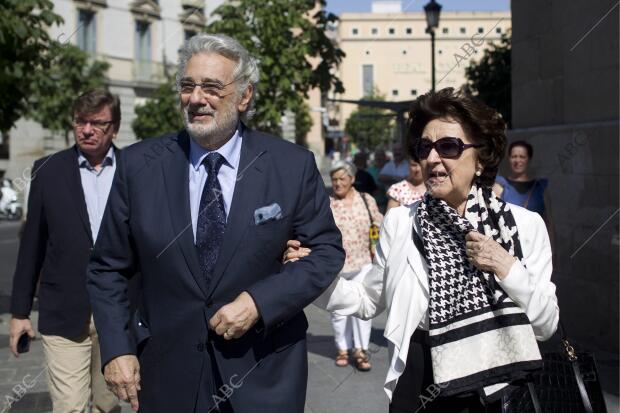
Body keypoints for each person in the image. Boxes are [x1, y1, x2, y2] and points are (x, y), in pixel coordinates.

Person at [86, 33, 345, 413]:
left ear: (244, 96)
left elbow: (325, 252)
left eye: (211, 87)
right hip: (167, 377)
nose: (195, 98)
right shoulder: (139, 166)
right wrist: (116, 348)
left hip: (263, 373)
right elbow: (107, 266)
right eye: (187, 86)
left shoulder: (291, 166)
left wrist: (259, 301)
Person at [285, 88, 559, 412]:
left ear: (481, 158)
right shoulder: (401, 222)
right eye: (425, 148)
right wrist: (311, 275)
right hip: (419, 379)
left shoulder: (524, 226)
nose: (431, 158)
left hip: (499, 384)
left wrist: (506, 267)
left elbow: (546, 322)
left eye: (448, 147)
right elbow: (368, 299)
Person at [9, 89, 122, 413]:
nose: (86, 130)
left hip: (115, 311)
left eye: (97, 123)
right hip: (62, 310)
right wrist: (19, 314)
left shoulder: (133, 169)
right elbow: (33, 245)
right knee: (71, 406)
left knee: (107, 404)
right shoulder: (48, 171)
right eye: (80, 121)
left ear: (113, 127)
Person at [328, 161, 382, 371]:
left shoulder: (366, 200)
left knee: (362, 309)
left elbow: (378, 224)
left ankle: (360, 349)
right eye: (334, 180)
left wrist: (377, 249)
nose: (337, 183)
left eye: (342, 178)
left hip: (364, 263)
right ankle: (343, 347)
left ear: (352, 179)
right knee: (339, 311)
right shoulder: (327, 203)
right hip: (337, 267)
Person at [494, 140, 554, 232]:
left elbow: (548, 223)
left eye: (522, 157)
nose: (518, 161)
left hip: (534, 241)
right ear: (509, 159)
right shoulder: (500, 186)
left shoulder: (540, 187)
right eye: (514, 156)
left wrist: (551, 246)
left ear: (529, 159)